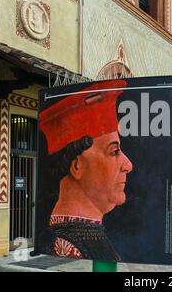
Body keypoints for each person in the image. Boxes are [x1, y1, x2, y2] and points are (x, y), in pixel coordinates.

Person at [39, 79, 133, 261]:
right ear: (77, 166)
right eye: (114, 151)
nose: (128, 165)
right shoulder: (68, 247)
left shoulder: (86, 235)